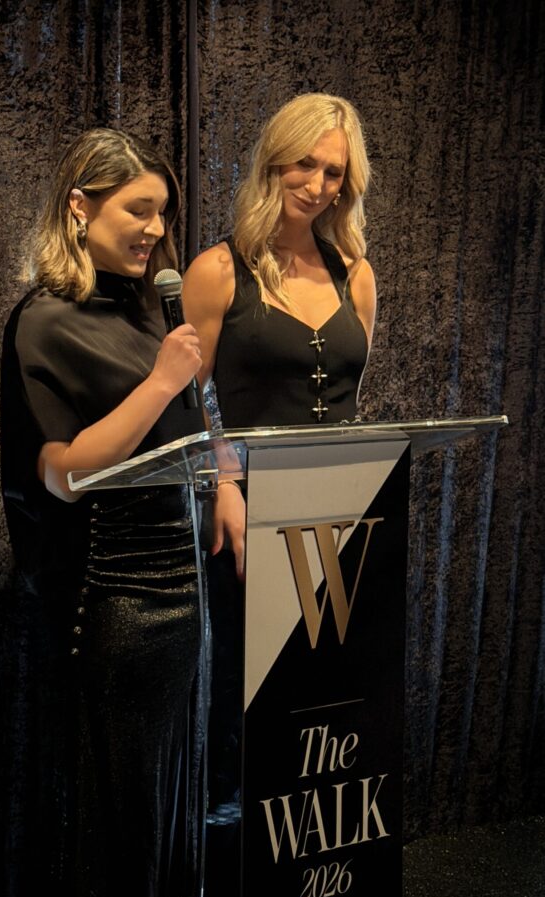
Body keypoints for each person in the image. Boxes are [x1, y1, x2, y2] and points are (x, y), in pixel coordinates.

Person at [0, 127, 205, 897]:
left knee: (138, 808)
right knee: (99, 807)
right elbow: (64, 472)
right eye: (139, 209)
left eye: (163, 212)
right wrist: (162, 383)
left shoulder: (147, 313)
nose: (156, 230)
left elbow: (179, 444)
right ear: (80, 207)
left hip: (177, 585)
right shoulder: (46, 319)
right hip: (109, 591)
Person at [182, 92, 376, 809]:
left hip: (345, 512)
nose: (317, 185)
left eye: (334, 173)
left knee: (327, 685)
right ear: (273, 160)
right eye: (305, 164)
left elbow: (353, 392)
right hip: (250, 514)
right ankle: (234, 831)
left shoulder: (355, 272)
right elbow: (190, 399)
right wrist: (224, 485)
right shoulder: (217, 270)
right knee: (246, 681)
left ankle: (310, 837)